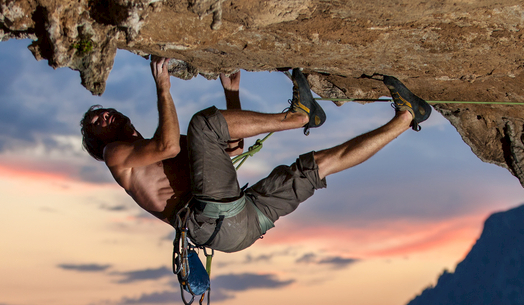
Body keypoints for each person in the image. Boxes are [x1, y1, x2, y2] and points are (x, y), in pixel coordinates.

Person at [81, 56, 432, 254]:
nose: (102, 117)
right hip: (214, 218)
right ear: (102, 143)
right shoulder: (116, 155)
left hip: (235, 226)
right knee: (203, 124)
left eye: (101, 112)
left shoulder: (145, 149)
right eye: (96, 124)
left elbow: (231, 148)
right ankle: (300, 116)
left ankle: (405, 117)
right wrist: (163, 87)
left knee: (319, 165)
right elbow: (169, 146)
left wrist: (231, 93)